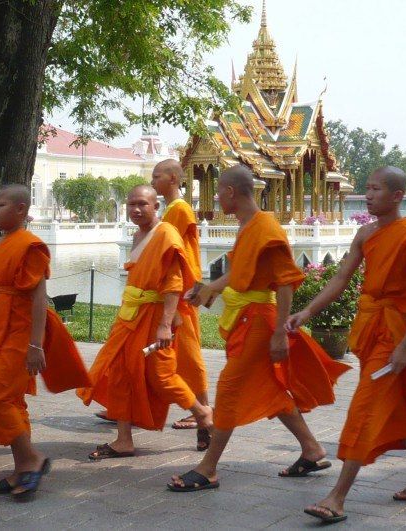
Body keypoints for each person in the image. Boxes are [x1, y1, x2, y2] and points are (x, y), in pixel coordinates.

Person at [167, 165, 350, 493]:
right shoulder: (248, 225)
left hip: (260, 320)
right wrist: (209, 289)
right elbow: (239, 273)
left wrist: (280, 331)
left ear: (230, 193)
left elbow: (285, 284)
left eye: (217, 192)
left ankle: (208, 468)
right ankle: (312, 449)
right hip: (246, 317)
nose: (214, 198)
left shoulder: (266, 226)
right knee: (270, 390)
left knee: (229, 390)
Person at [287, 167, 406, 524]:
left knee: (364, 409)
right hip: (373, 329)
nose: (369, 194)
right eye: (368, 188)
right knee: (400, 411)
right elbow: (342, 277)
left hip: (396, 337)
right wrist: (307, 311)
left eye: (376, 189)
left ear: (397, 196)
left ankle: (337, 497)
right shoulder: (366, 233)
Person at [0, 184, 90, 500]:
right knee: (8, 400)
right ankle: (21, 467)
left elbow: (38, 298)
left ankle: (31, 459)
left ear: (21, 209)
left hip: (19, 335)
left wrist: (35, 345)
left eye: (2, 204)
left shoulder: (31, 245)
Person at [79, 184, 213, 460]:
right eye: (131, 204)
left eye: (142, 204)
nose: (136, 209)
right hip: (131, 316)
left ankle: (203, 415)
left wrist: (165, 324)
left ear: (156, 207)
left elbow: (174, 284)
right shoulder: (139, 234)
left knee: (162, 376)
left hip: (154, 317)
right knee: (120, 374)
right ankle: (123, 440)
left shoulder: (166, 235)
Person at [151, 159, 211, 451]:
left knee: (188, 351)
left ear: (173, 178)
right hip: (177, 290)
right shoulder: (172, 210)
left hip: (182, 291)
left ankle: (203, 409)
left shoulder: (179, 210)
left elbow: (172, 251)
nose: (152, 181)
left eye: (157, 175)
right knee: (179, 352)